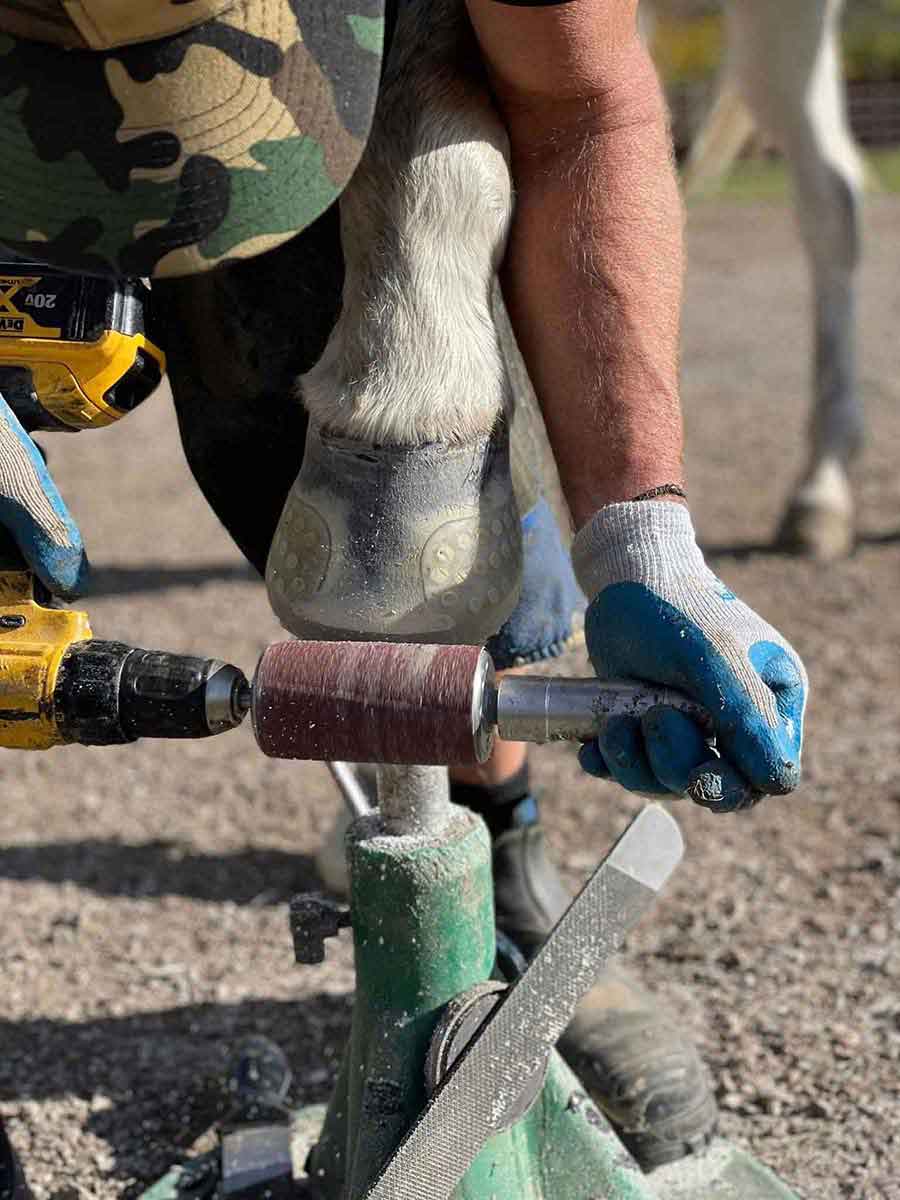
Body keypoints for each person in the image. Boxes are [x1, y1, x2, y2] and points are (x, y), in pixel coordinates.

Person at [0, 0, 808, 1188]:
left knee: (407, 496)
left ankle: (496, 871)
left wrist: (644, 544)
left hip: (341, 100)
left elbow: (580, 103)